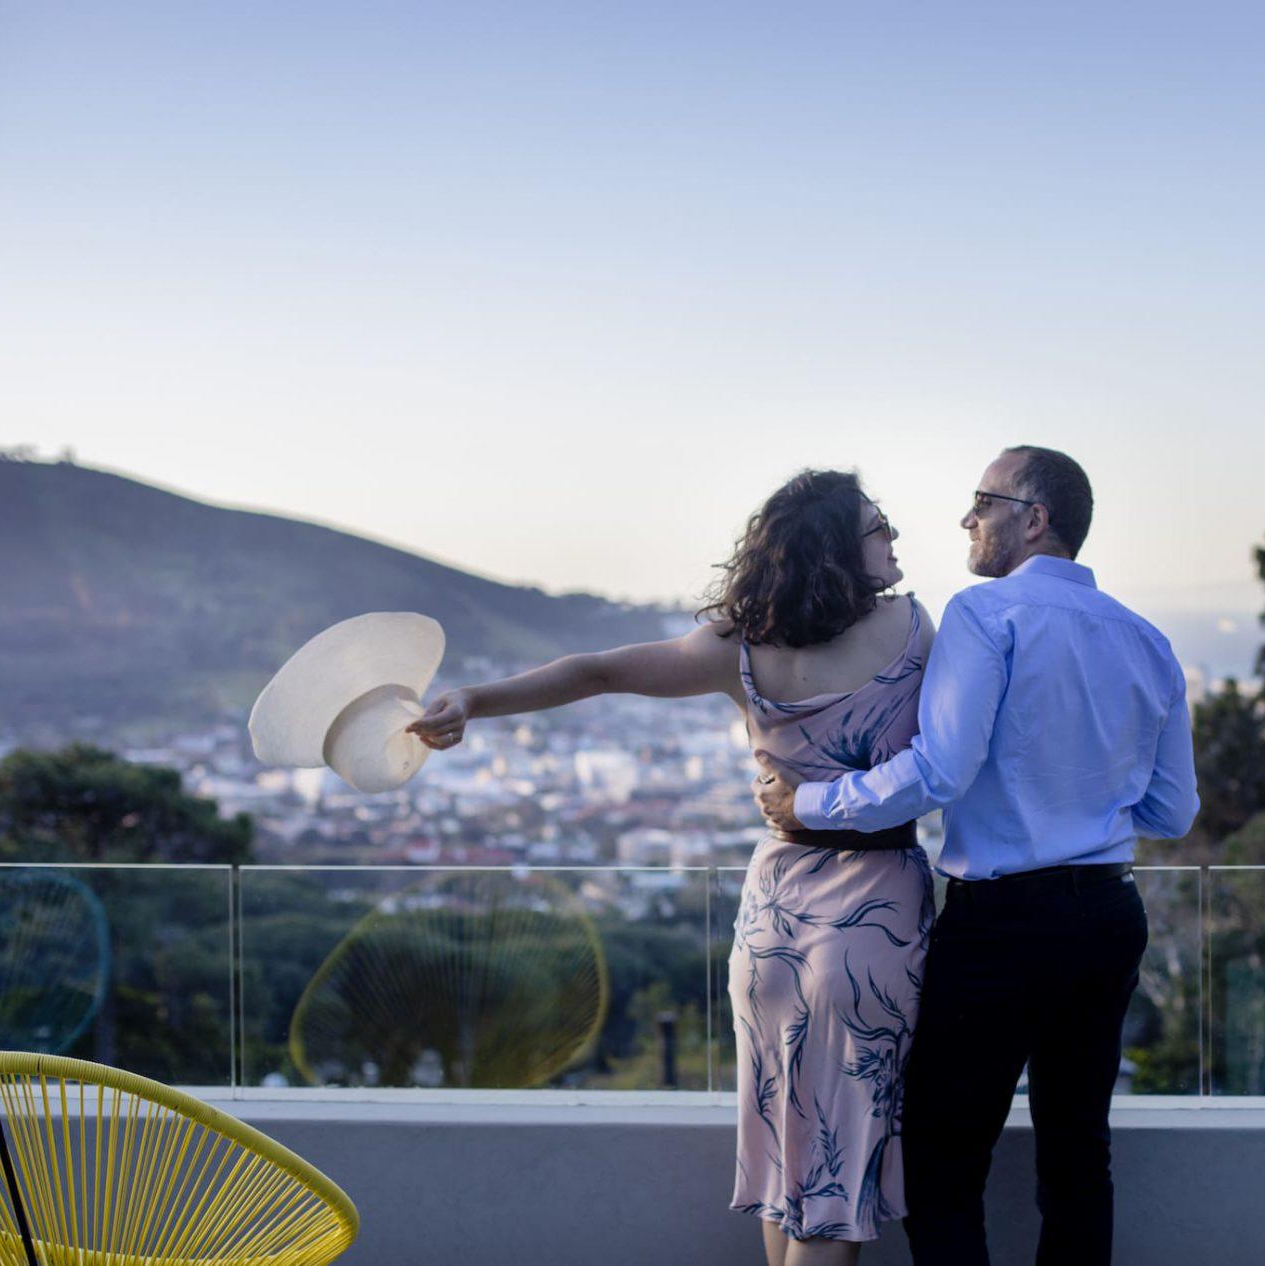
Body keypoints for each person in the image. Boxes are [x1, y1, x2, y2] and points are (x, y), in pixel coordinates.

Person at [408, 469, 935, 1265]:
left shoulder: (741, 644)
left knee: (781, 1150)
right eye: (879, 525)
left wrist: (473, 702)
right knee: (834, 1179)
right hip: (872, 917)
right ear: (837, 548)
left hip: (773, 916)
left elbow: (596, 671)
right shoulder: (916, 632)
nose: (895, 537)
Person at [755, 445, 1199, 1266]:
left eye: (983, 501)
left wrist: (805, 804)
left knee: (943, 1162)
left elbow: (940, 770)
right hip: (1107, 915)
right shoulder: (1149, 642)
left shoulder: (984, 614)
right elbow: (1173, 811)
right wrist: (1082, 796)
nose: (967, 518)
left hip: (1002, 925)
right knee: (1078, 1156)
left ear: (1034, 520)